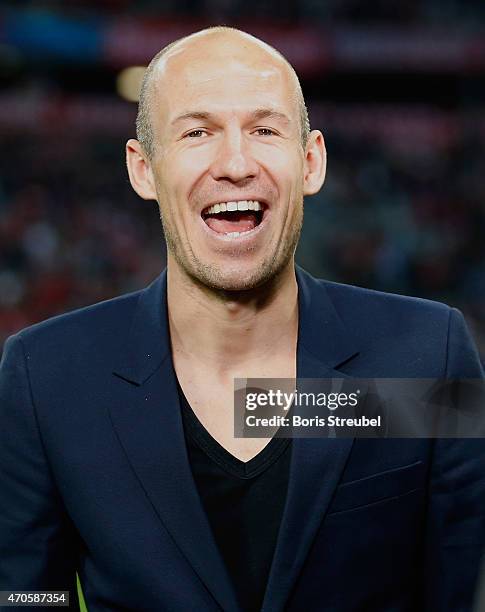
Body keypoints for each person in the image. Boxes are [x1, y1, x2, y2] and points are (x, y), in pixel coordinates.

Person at [0, 26, 484, 612]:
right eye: (198, 132)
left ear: (311, 162)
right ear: (143, 169)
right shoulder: (45, 373)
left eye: (264, 129)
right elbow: (28, 596)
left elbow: (460, 591)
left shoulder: (429, 351)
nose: (234, 163)